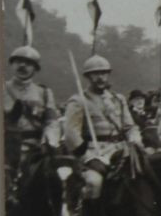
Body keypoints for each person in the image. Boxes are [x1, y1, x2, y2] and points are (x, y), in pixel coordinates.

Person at [62, 55, 144, 205]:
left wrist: (135, 141)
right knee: (94, 183)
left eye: (104, 73)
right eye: (96, 74)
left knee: (145, 174)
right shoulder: (79, 101)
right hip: (95, 152)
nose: (100, 78)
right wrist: (88, 158)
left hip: (122, 149)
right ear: (88, 76)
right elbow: (71, 135)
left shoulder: (118, 99)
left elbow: (129, 127)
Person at [3, 45, 61, 200]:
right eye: (18, 62)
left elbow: (51, 121)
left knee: (57, 179)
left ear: (35, 69)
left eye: (28, 63)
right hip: (5, 148)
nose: (22, 66)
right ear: (12, 64)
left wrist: (48, 140)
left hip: (35, 148)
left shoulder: (44, 93)